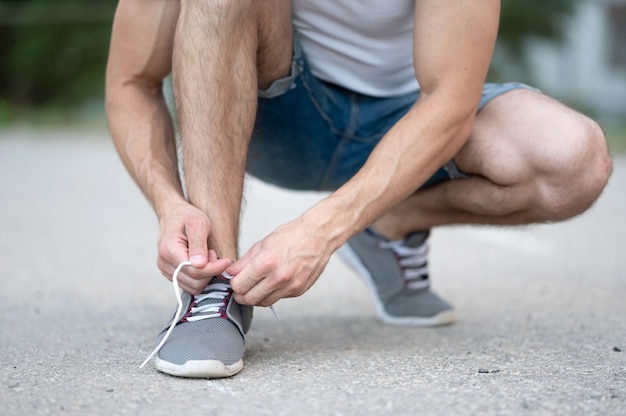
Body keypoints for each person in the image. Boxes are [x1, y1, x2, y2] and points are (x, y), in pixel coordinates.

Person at [105, 0, 612, 379]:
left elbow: (450, 104)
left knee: (573, 159)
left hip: (412, 125)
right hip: (277, 112)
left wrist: (321, 231)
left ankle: (389, 222)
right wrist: (171, 202)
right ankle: (215, 283)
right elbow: (131, 81)